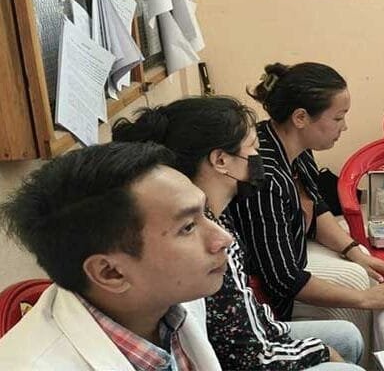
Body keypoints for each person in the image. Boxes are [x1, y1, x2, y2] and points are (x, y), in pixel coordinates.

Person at [113, 97, 365, 370]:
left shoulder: (220, 214)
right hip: (240, 358)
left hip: (252, 339)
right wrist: (320, 352)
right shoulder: (210, 235)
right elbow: (244, 354)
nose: (260, 158)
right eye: (253, 148)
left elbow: (248, 317)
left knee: (347, 337)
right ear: (221, 160)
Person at [0, 142, 229, 370]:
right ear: (111, 273)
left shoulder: (171, 297)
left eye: (204, 214)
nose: (224, 238)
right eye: (188, 227)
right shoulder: (30, 364)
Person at [231, 62, 384, 321]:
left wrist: (354, 250)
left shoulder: (293, 143)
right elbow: (283, 279)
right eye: (338, 118)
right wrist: (365, 299)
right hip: (267, 289)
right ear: (300, 118)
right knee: (358, 283)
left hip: (294, 252)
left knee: (363, 263)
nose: (345, 127)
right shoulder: (265, 179)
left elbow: (315, 205)